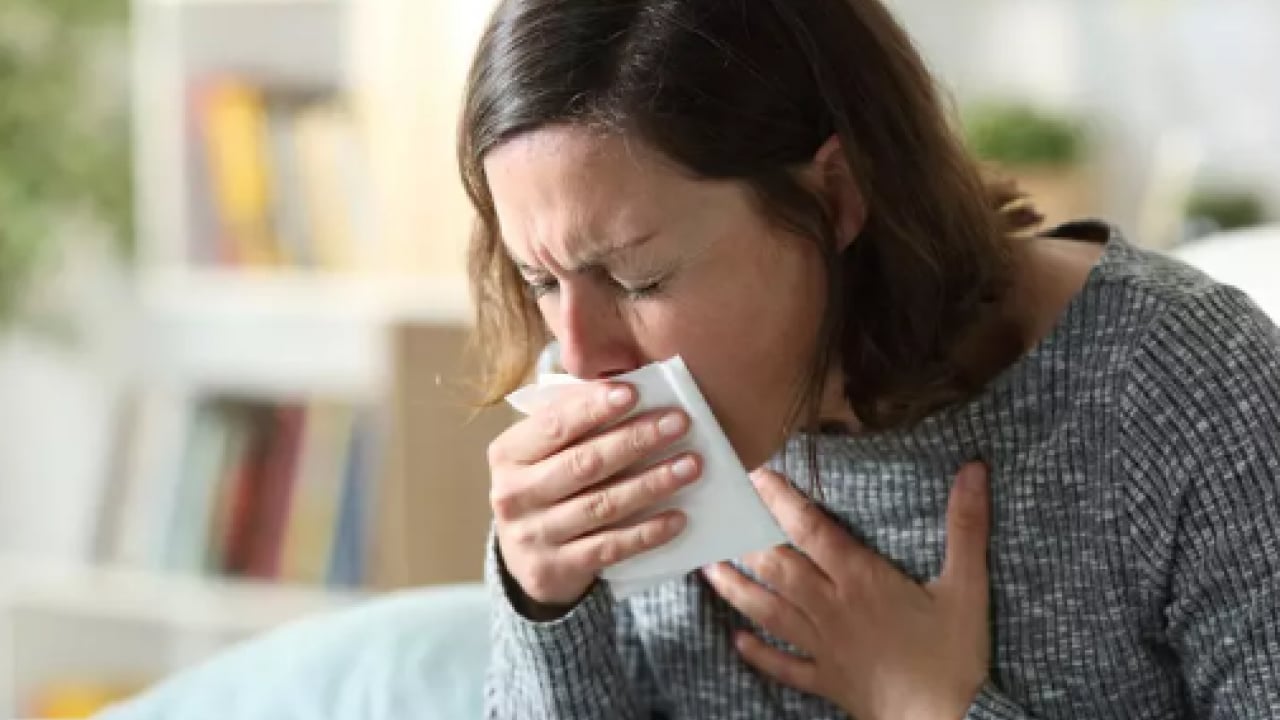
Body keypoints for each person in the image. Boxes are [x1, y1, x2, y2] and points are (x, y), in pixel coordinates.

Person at [458, 0, 1280, 717]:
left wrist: (929, 708)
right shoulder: (595, 404)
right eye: (541, 281)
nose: (584, 360)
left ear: (836, 195)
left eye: (639, 277)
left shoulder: (1185, 391)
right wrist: (542, 603)